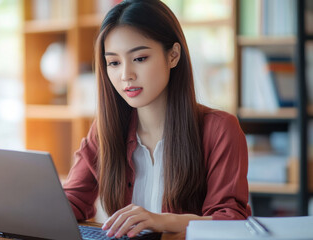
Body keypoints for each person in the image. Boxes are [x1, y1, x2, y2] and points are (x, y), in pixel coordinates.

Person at [63, 0, 251, 238]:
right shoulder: (106, 129)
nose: (126, 75)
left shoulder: (220, 129)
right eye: (113, 62)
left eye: (140, 58)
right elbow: (72, 200)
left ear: (173, 56)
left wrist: (161, 221)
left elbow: (229, 221)